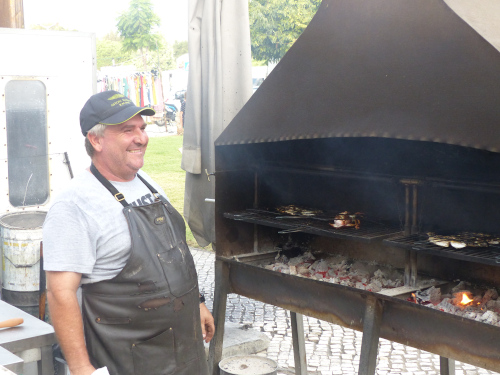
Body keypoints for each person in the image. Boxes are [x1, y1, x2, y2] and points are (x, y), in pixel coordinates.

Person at [43, 90, 214, 375]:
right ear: (95, 140)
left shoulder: (146, 182)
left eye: (142, 128)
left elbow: (176, 253)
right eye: (127, 130)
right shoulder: (73, 205)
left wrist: (196, 304)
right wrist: (80, 366)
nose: (142, 138)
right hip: (132, 359)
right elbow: (60, 293)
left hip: (186, 349)